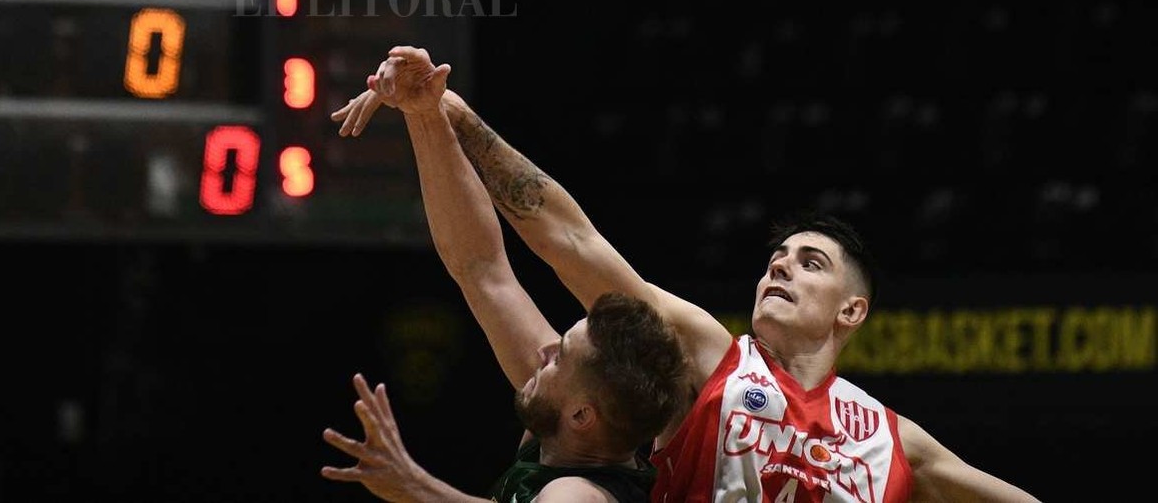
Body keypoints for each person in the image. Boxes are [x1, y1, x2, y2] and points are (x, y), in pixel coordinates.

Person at [334, 46, 1045, 503]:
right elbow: (561, 236)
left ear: (851, 311)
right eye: (778, 254)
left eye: (810, 261)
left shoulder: (892, 441)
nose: (780, 264)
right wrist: (447, 112)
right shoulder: (713, 357)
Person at [321, 56, 688, 502]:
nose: (546, 348)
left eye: (561, 356)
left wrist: (412, 485)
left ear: (581, 416)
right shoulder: (568, 432)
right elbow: (482, 269)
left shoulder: (579, 493)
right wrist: (424, 115)